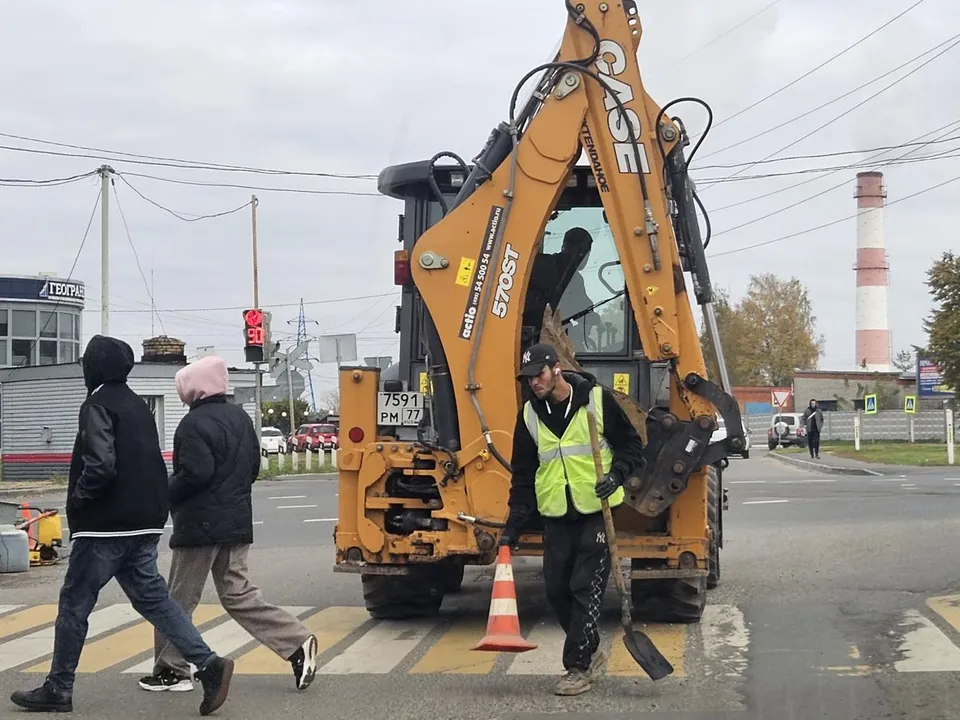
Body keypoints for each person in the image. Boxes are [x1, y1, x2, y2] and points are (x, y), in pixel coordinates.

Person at [10, 335, 234, 716]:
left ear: (93, 367)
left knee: (74, 605)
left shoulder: (96, 404)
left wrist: (80, 500)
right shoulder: (138, 406)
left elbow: (100, 465)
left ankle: (58, 688)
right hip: (144, 524)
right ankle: (209, 663)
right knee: (156, 601)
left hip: (104, 527)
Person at [137, 355, 319, 694]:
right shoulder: (240, 419)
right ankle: (297, 641)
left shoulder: (192, 425)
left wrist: (165, 493)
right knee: (238, 594)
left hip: (200, 526)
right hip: (236, 522)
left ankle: (171, 670)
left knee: (176, 599)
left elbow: (196, 473)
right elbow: (252, 468)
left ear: (195, 388)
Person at [498, 343, 645, 697]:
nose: (534, 382)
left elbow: (632, 447)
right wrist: (513, 525)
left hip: (597, 510)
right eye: (529, 378)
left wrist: (616, 476)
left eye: (539, 374)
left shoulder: (595, 400)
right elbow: (522, 475)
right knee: (556, 590)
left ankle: (577, 667)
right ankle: (592, 648)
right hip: (556, 515)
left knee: (584, 587)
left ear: (556, 369)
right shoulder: (530, 416)